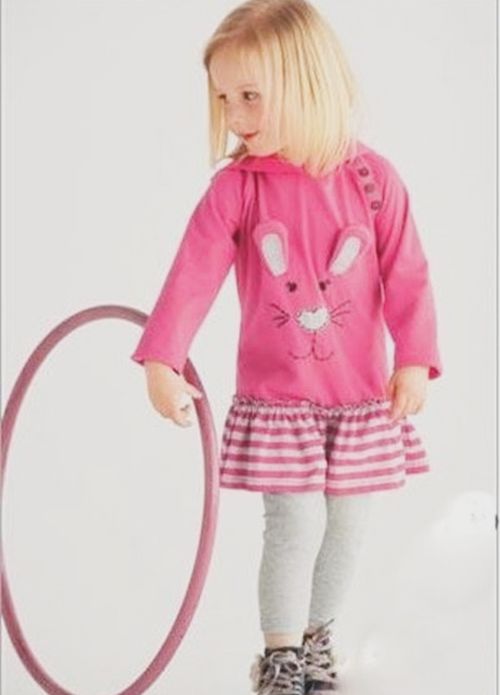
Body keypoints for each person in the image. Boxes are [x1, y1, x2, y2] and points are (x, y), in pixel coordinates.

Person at [130, 1, 443, 693]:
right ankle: (279, 656)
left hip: (359, 399)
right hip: (280, 401)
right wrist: (162, 358)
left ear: (306, 83)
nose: (235, 115)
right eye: (224, 99)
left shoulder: (373, 180)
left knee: (347, 529)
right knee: (294, 523)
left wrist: (416, 357)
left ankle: (315, 640)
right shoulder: (238, 189)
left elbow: (409, 272)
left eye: (250, 96)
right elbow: (193, 273)